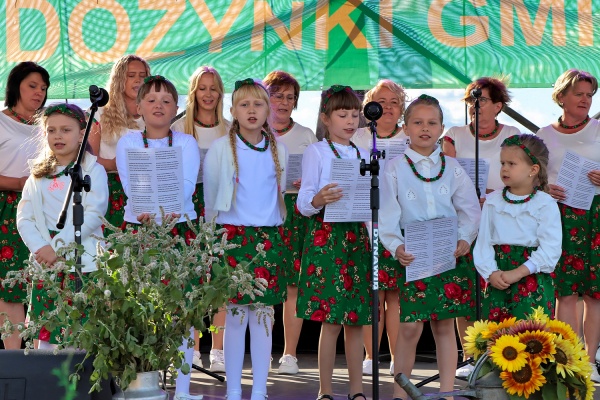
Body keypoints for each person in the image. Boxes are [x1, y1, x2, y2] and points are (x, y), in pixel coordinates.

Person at [379, 95, 481, 400]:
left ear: (441, 128)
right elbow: (387, 214)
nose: (425, 128)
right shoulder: (394, 168)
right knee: (410, 326)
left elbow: (470, 208)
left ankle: (447, 393)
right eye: (418, 122)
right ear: (405, 127)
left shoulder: (453, 167)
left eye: (432, 123)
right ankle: (400, 394)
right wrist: (396, 245)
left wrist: (465, 238)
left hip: (448, 251)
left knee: (444, 325)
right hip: (414, 253)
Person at [115, 75, 201, 400]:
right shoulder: (128, 142)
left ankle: (183, 389)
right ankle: (140, 385)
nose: (158, 106)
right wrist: (146, 210)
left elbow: (187, 184)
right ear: (139, 107)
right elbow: (129, 184)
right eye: (151, 100)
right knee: (139, 306)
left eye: (166, 101)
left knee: (181, 308)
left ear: (176, 108)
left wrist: (167, 212)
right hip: (140, 227)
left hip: (178, 228)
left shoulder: (186, 143)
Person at [203, 78, 288, 400]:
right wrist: (212, 243)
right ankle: (235, 389)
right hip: (233, 237)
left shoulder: (278, 148)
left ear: (268, 110)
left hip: (267, 238)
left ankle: (260, 389)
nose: (252, 110)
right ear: (233, 111)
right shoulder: (220, 149)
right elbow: (211, 199)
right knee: (236, 317)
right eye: (244, 104)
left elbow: (278, 195)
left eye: (258, 104)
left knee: (264, 317)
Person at [441, 76, 521, 378]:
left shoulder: (512, 134)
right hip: (464, 219)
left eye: (482, 100)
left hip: (502, 216)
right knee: (465, 287)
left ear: (498, 105)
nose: (475, 106)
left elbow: (522, 173)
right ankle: (469, 356)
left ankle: (500, 353)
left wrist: (494, 194)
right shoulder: (454, 134)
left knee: (496, 285)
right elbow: (443, 173)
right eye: (470, 100)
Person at [296, 85, 371, 400]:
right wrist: (319, 198)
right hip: (327, 236)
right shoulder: (317, 151)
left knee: (356, 320)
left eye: (355, 115)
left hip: (356, 237)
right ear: (326, 118)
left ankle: (357, 390)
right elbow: (303, 202)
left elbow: (370, 200)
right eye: (343, 115)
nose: (351, 121)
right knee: (331, 320)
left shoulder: (363, 153)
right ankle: (325, 390)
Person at [16, 104, 108, 349]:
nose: (58, 136)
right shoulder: (37, 175)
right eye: (51, 130)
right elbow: (24, 218)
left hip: (83, 263)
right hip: (47, 264)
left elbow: (94, 214)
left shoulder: (93, 170)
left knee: (84, 336)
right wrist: (41, 248)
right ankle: (48, 375)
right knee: (48, 336)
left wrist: (57, 247)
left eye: (66, 130)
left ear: (81, 134)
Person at [537, 69, 600, 383]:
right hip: (559, 216)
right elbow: (530, 175)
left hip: (595, 216)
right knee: (565, 292)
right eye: (579, 94)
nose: (585, 100)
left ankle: (589, 362)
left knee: (595, 293)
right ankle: (570, 358)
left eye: (590, 95)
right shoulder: (543, 135)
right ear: (561, 96)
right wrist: (544, 187)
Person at [172, 65, 229, 373]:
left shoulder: (229, 129)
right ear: (193, 92)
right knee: (191, 279)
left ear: (220, 93)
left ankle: (217, 350)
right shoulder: (178, 128)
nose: (208, 94)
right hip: (188, 207)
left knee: (220, 278)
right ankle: (191, 348)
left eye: (213, 88)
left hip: (220, 207)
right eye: (202, 88)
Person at [350, 79, 408, 377]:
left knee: (395, 296)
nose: (387, 107)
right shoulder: (357, 137)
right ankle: (371, 356)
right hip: (364, 221)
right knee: (373, 294)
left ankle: (397, 358)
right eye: (381, 102)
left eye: (394, 102)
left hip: (400, 224)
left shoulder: (410, 137)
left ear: (402, 108)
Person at [263, 70, 317, 375]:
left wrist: (306, 181)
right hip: (262, 214)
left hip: (295, 215)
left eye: (290, 97)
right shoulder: (250, 132)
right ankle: (262, 351)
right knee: (262, 285)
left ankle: (289, 354)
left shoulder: (306, 135)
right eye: (277, 95)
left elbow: (320, 176)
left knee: (293, 286)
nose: (284, 102)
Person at [473, 134, 560, 321]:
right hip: (498, 279)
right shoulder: (492, 201)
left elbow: (550, 249)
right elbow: (483, 243)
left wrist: (519, 272)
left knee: (530, 334)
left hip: (531, 279)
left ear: (533, 169)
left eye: (511, 164)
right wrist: (491, 273)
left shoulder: (545, 204)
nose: (504, 168)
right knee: (497, 335)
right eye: (502, 163)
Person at [0, 61, 50, 350]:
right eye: (32, 86)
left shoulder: (48, 126)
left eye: (43, 88)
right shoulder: (1, 121)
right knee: (10, 286)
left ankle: (41, 356)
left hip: (43, 208)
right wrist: (18, 183)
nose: (39, 92)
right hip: (7, 209)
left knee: (40, 282)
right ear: (15, 86)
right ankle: (13, 357)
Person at [88, 54, 150, 233]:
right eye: (131, 75)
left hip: (143, 193)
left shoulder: (152, 114)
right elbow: (86, 157)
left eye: (143, 75)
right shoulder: (99, 113)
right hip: (108, 190)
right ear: (119, 79)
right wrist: (114, 164)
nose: (138, 80)